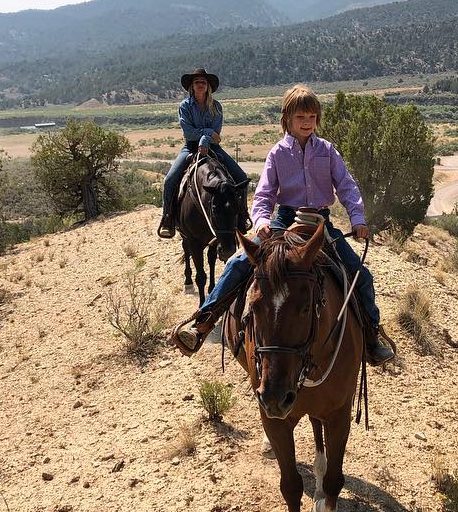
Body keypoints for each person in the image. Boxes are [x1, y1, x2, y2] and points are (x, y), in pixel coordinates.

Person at [171, 84, 395, 365]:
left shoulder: (327, 150)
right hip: (285, 219)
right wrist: (263, 220)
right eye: (301, 117)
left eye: (312, 118)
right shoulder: (278, 153)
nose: (307, 123)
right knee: (238, 264)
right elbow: (264, 194)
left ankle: (372, 338)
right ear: (287, 119)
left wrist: (358, 218)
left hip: (319, 222)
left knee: (360, 275)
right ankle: (203, 324)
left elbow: (347, 186)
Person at [158, 68, 249, 239]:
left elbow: (217, 134)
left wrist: (206, 139)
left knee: (241, 178)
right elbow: (188, 132)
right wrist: (206, 135)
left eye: (203, 82)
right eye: (197, 82)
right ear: (192, 87)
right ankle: (168, 218)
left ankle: (242, 215)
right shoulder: (184, 106)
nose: (200, 85)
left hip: (214, 148)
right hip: (190, 148)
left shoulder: (216, 107)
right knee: (169, 180)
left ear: (208, 87)